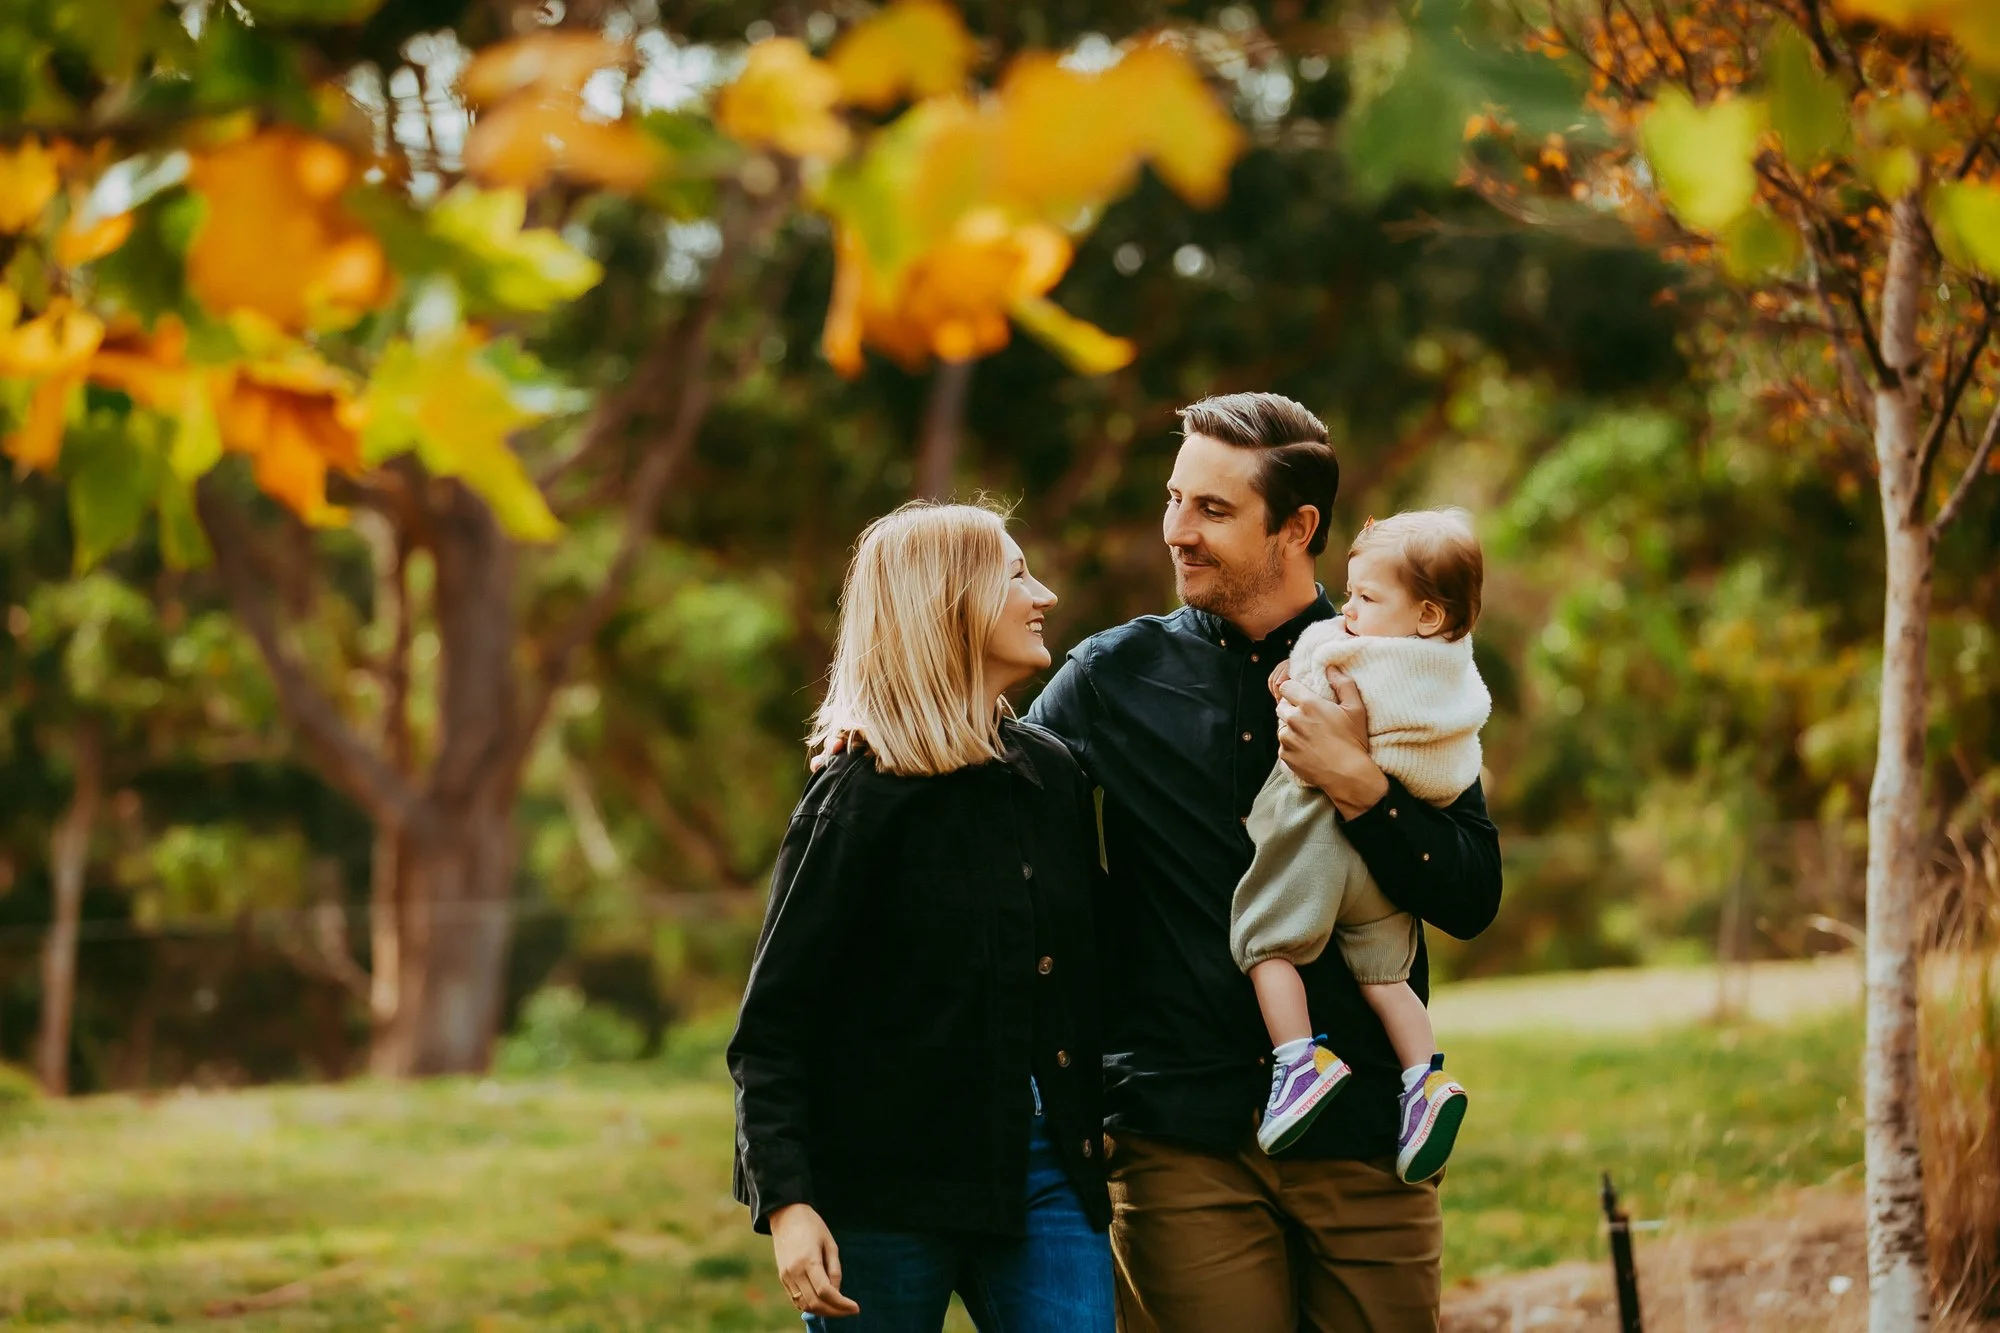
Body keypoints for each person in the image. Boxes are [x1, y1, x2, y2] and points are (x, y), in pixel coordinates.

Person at [1024, 392, 1502, 1332]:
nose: (1176, 531)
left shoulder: (1401, 668)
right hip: (1178, 1144)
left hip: (1368, 1141)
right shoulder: (1108, 679)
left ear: (1299, 527)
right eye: (1175, 500)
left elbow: (1472, 893)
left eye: (1211, 510)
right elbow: (989, 808)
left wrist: (1361, 786)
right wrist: (876, 728)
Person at [728, 501, 1115, 1333]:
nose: (1043, 593)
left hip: (1048, 1173)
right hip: (879, 1190)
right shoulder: (858, 798)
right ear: (949, 603)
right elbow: (774, 1026)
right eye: (1016, 575)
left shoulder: (1051, 775)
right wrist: (789, 1204)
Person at [1230, 508, 1490, 1186]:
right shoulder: (1452, 676)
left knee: (1264, 945)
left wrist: (1286, 679)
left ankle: (1298, 1061)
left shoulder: (1348, 651)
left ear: (1429, 614)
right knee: (1385, 977)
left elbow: (1306, 700)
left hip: (1318, 834)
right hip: (1383, 851)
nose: (1349, 610)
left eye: (1367, 598)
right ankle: (1423, 1082)